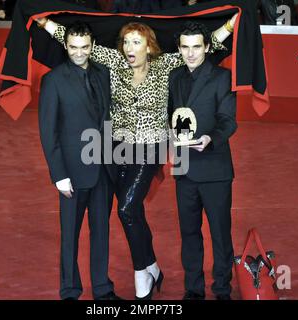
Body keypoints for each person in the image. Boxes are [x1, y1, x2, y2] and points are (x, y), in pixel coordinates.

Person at [36, 12, 237, 299]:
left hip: (151, 148)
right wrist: (44, 22)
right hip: (116, 151)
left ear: (149, 46)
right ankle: (150, 266)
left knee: (126, 208)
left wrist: (229, 26)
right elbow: (76, 42)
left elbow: (206, 45)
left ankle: (143, 269)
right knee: (134, 213)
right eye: (126, 42)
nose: (130, 47)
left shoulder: (165, 64)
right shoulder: (114, 62)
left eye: (137, 42)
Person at [38, 21, 121, 301]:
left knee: (101, 233)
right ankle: (70, 291)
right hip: (71, 173)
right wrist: (58, 175)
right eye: (73, 47)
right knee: (69, 236)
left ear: (92, 46)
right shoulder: (53, 80)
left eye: (84, 47)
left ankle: (102, 289)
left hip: (104, 171)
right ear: (66, 45)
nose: (79, 53)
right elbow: (48, 132)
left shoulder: (104, 73)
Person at [168, 21, 237, 300]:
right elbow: (170, 114)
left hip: (215, 167)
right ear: (180, 49)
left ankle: (222, 289)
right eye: (185, 47)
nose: (191, 53)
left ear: (207, 47)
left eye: (197, 47)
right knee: (189, 234)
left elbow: (228, 121)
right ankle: (193, 290)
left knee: (220, 234)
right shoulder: (174, 77)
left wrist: (210, 139)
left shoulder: (222, 77)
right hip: (184, 167)